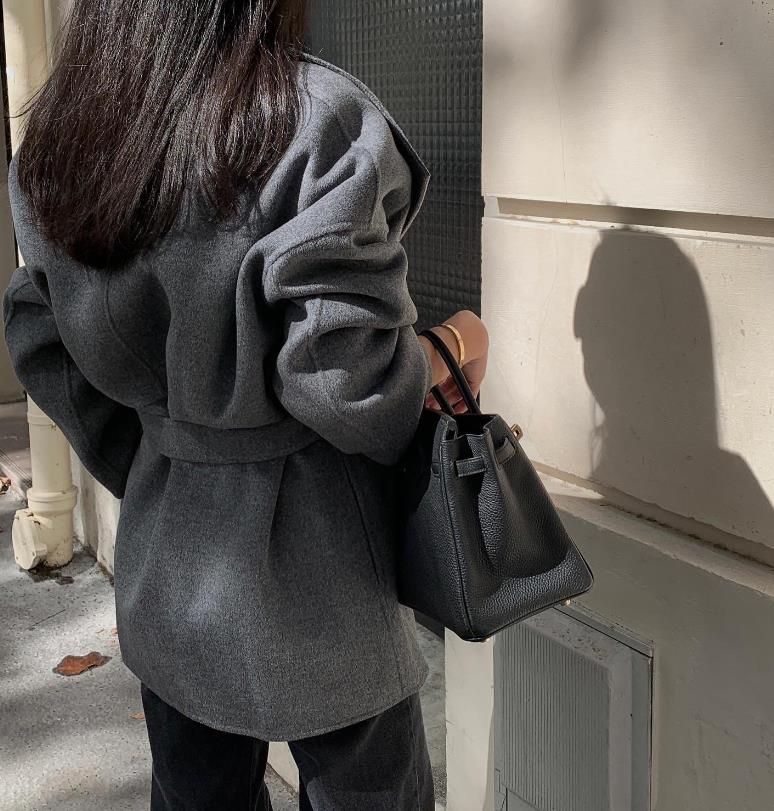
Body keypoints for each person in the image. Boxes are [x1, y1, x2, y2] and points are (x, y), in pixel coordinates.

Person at [2, 1, 489, 809]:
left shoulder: (62, 146)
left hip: (170, 562)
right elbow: (350, 384)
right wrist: (453, 344)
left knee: (195, 792)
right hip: (325, 568)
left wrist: (163, 462)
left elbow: (42, 337)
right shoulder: (312, 121)